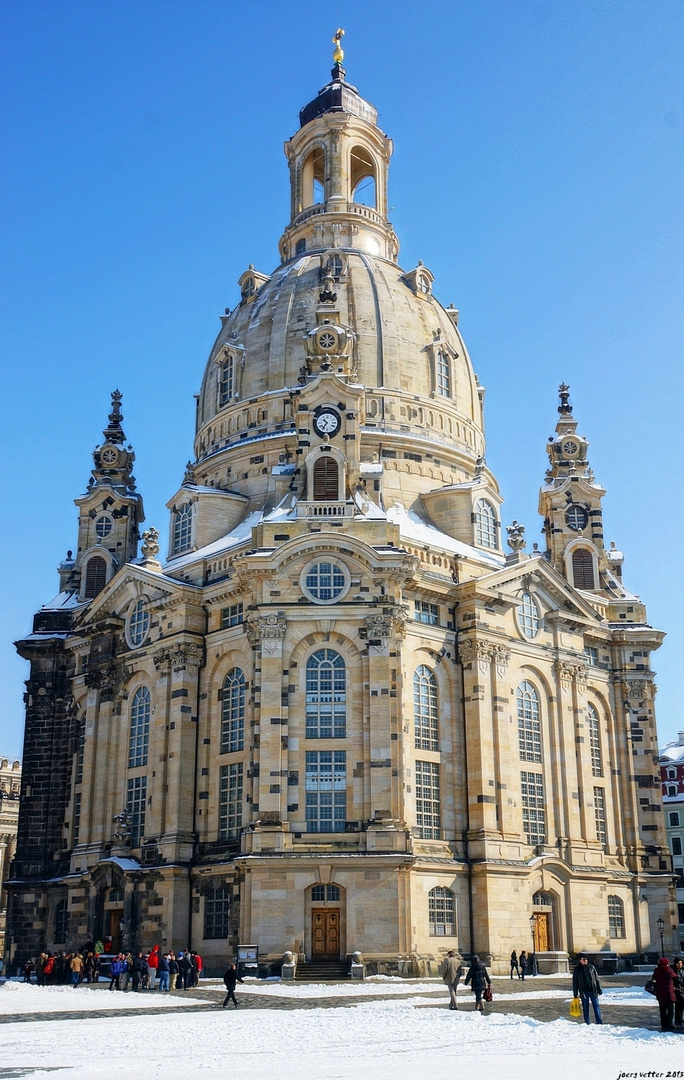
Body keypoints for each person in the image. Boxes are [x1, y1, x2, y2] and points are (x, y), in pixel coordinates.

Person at [572, 954, 603, 1025]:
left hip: (593, 990)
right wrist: (575, 993)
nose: (585, 960)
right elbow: (575, 983)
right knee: (585, 1008)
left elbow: (596, 979)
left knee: (596, 1006)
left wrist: (599, 989)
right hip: (584, 991)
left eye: (586, 959)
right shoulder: (577, 970)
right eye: (583, 959)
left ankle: (599, 1022)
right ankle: (587, 1022)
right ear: (580, 960)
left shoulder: (592, 968)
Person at [652, 956, 676, 1033]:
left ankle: (664, 1023)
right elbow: (675, 976)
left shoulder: (657, 971)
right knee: (670, 1010)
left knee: (662, 1010)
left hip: (660, 993)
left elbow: (654, 977)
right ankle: (669, 1023)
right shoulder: (669, 971)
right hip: (669, 993)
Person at [673, 957, 684, 1028]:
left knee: (682, 1004)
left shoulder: (683, 970)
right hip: (677, 990)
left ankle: (680, 1018)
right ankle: (678, 1018)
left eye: (681, 963)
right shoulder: (673, 971)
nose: (680, 964)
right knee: (678, 1005)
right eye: (678, 963)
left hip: (683, 989)